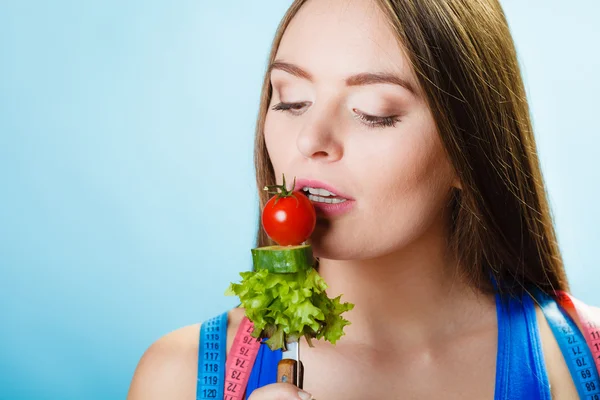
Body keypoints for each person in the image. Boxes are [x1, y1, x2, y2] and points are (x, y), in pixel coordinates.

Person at [127, 0, 600, 399]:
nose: (311, 138)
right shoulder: (177, 378)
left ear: (469, 147)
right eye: (290, 100)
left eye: (374, 113)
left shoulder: (583, 368)